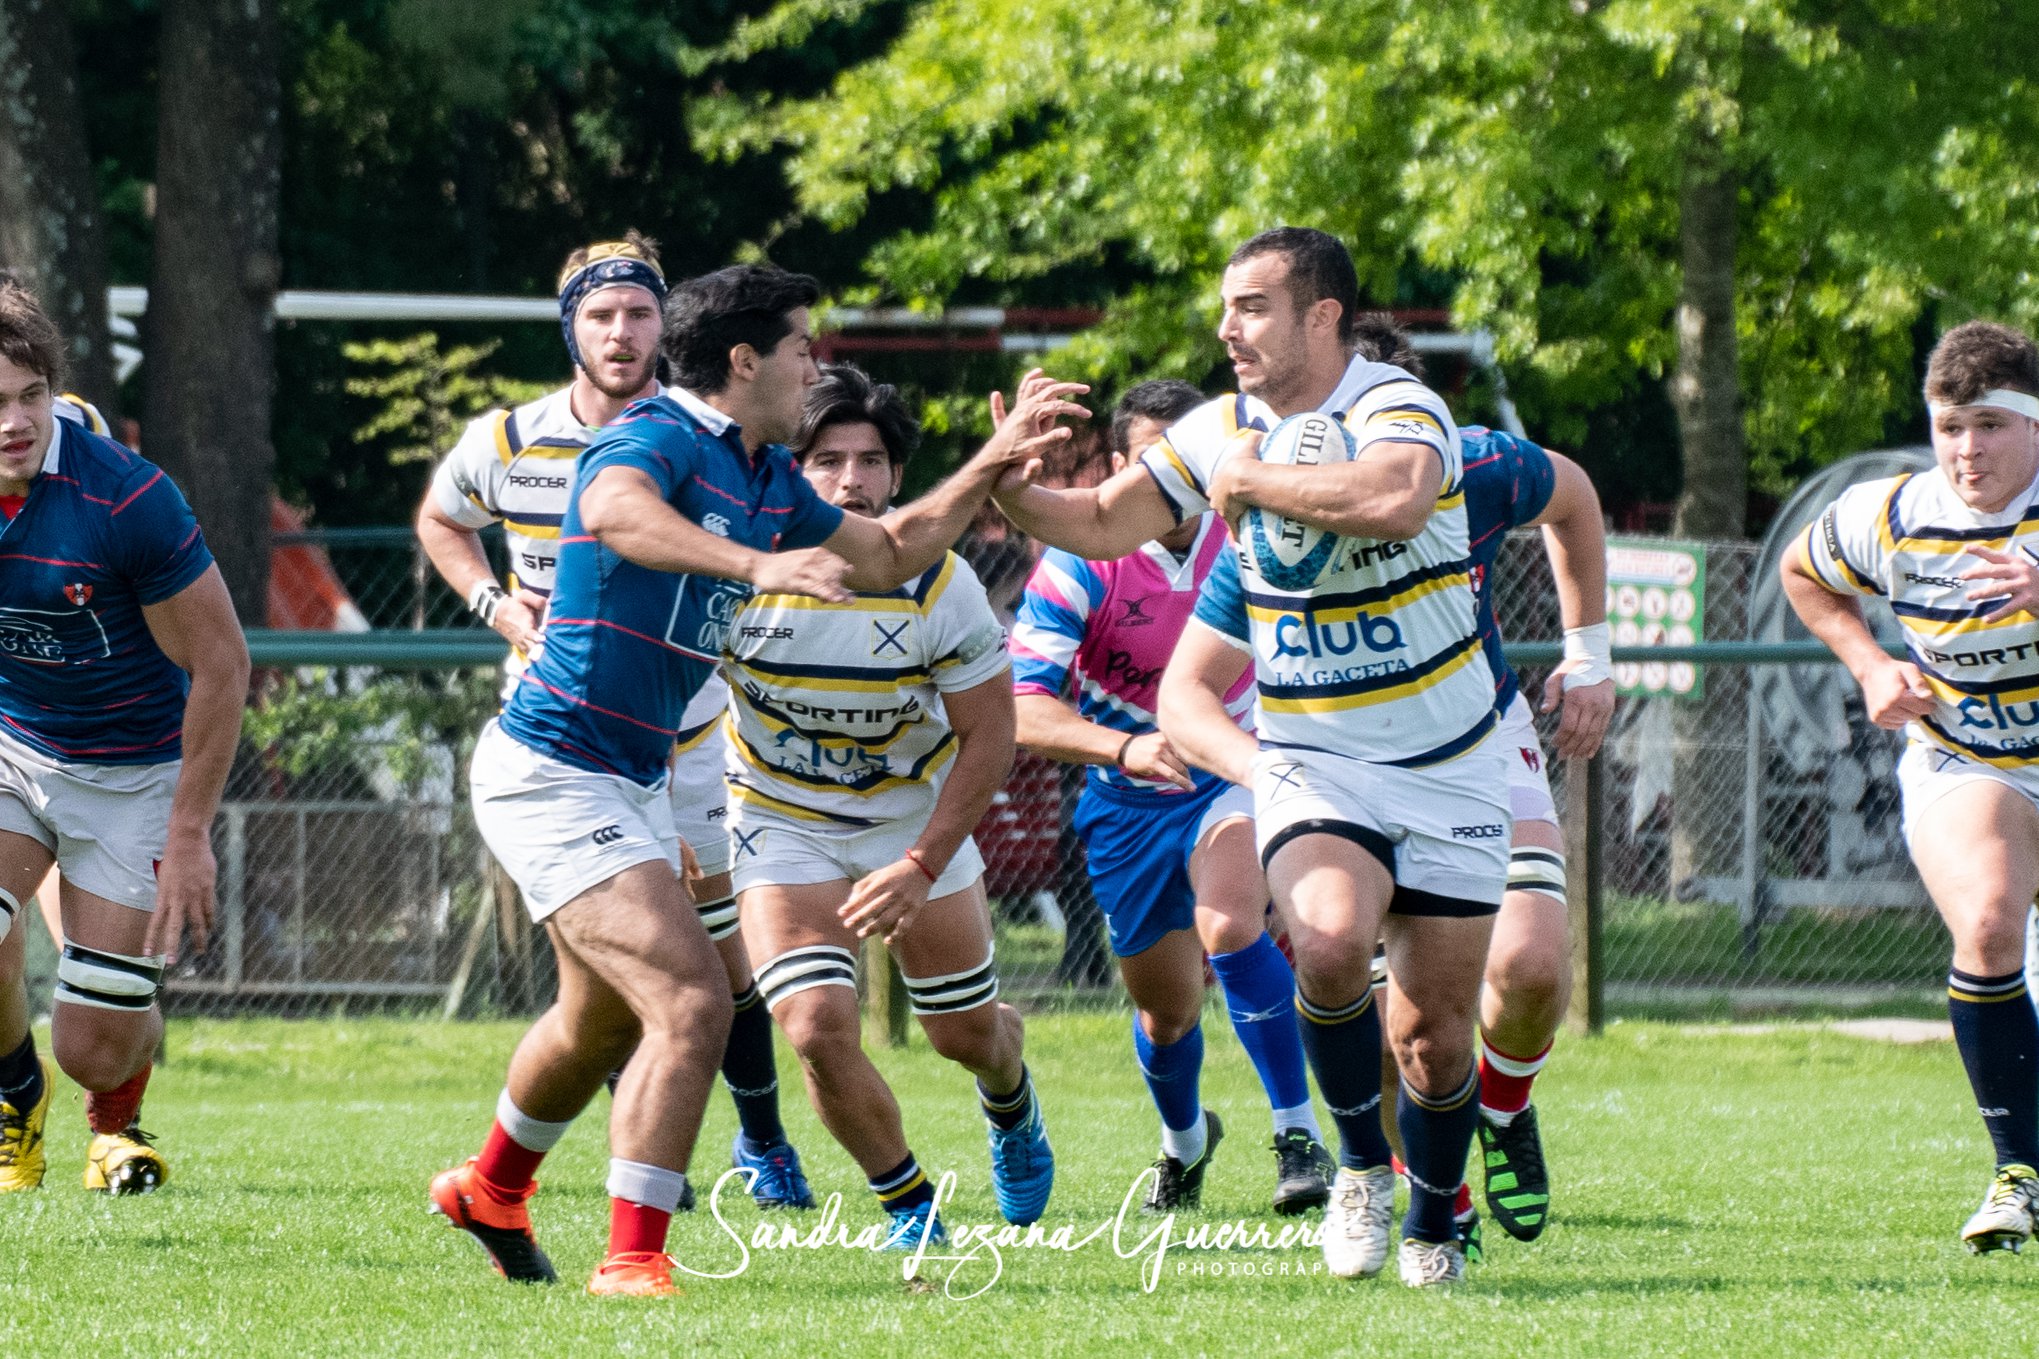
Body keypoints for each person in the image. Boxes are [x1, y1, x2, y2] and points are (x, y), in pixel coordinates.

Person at [429, 263, 1081, 1296]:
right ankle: (632, 1258)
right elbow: (611, 513)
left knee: (599, 1016)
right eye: (802, 347)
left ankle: (493, 1187)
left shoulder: (761, 472)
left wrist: (991, 462)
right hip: (553, 770)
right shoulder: (655, 436)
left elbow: (886, 552)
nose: (814, 363)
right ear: (744, 360)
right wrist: (752, 567)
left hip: (629, 780)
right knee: (692, 996)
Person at [1000, 226, 1504, 1287]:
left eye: (1253, 307)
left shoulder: (1393, 406)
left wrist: (1251, 483)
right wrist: (1004, 483)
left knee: (1436, 1040)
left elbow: (1394, 496)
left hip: (1448, 759)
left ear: (1321, 317)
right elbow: (1095, 518)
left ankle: (1429, 1220)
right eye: (1225, 306)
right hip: (1313, 756)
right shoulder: (1219, 429)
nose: (1226, 329)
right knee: (1322, 946)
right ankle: (1360, 1168)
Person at [417, 233, 814, 1213]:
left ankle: (755, 1143)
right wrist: (492, 605)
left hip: (685, 730)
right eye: (599, 315)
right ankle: (633, 1183)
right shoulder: (513, 440)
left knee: (704, 962)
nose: (620, 331)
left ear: (666, 327)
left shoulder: (702, 434)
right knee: (649, 980)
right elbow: (440, 518)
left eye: (639, 312)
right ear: (571, 331)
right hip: (570, 731)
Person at [729, 362, 1052, 1249]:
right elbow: (671, 700)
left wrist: (921, 862)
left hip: (913, 823)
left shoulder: (939, 586)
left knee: (963, 1037)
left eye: (870, 460)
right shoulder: (741, 573)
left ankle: (1010, 1097)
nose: (850, 480)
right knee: (813, 1024)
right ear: (790, 471)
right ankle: (911, 1210)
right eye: (826, 458)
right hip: (779, 819)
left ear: (898, 476)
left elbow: (991, 736)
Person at [1010, 378, 1334, 1215]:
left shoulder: (1257, 539)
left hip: (1233, 769)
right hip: (1126, 797)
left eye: (1192, 455)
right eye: (1158, 457)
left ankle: (1298, 1136)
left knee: (1230, 923)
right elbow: (1023, 704)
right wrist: (1125, 745)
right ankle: (1184, 1143)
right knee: (1164, 1012)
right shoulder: (1080, 561)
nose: (1179, 474)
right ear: (1123, 468)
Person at [1339, 320, 1614, 1250]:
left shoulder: (1478, 462)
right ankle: (1428, 1187)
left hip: (1478, 733)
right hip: (1342, 754)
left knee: (1534, 964)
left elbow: (1571, 494)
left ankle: (1500, 1108)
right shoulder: (1284, 474)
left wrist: (1588, 656)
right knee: (1393, 1028)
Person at [1783, 319, 2039, 1254]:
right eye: (1948, 427)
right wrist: (1867, 663)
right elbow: (1802, 572)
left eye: (1989, 426)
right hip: (1967, 754)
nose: (1966, 450)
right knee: (1987, 923)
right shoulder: (1890, 512)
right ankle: (2018, 1170)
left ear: (2035, 424)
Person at [0, 279, 249, 1196]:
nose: (14, 421)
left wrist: (187, 835)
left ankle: (110, 1113)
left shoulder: (124, 497)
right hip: (11, 743)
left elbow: (223, 664)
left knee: (95, 1048)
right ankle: (12, 1098)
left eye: (28, 395)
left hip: (134, 772)